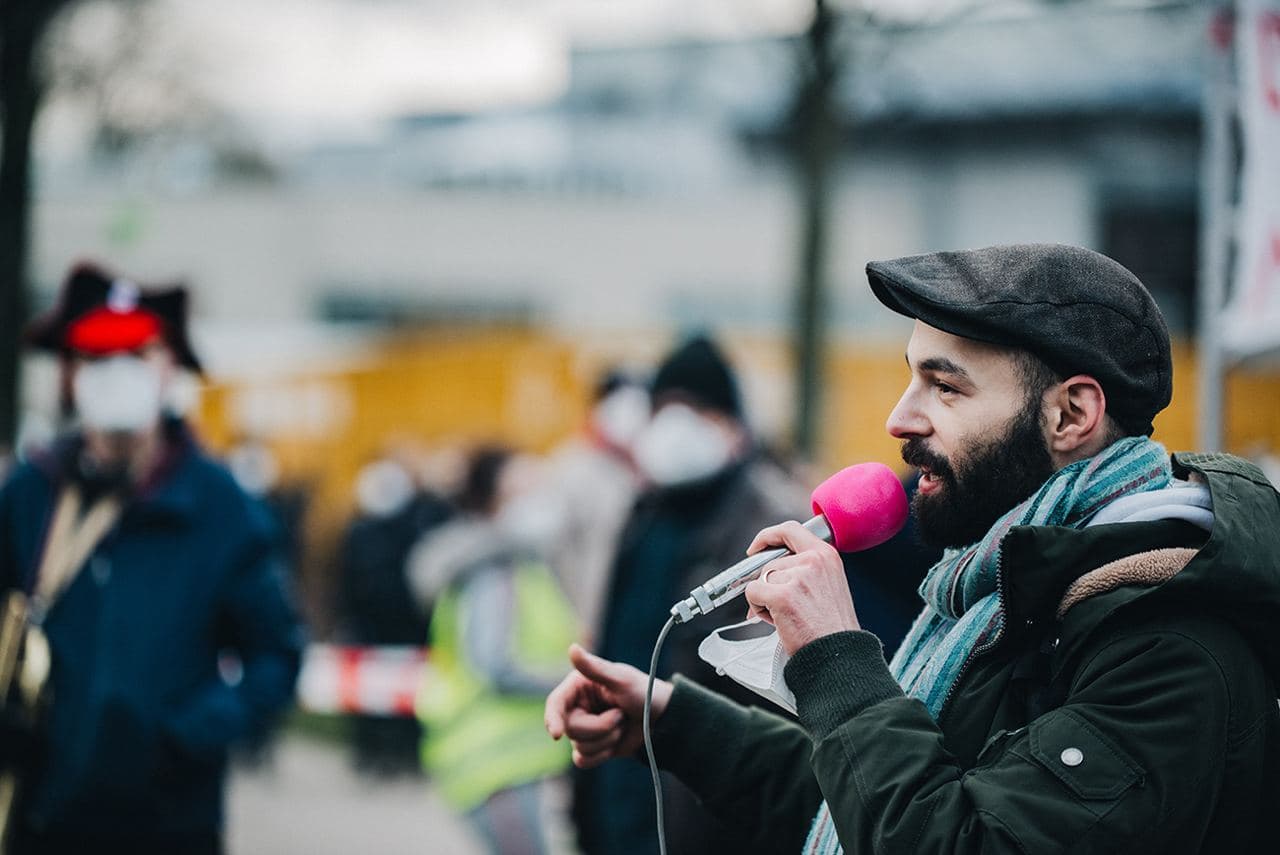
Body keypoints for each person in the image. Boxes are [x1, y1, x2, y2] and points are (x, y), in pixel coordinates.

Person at [546, 244, 1280, 854]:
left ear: (1072, 413)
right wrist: (671, 720)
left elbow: (952, 838)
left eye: (945, 387)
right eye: (910, 377)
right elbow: (860, 798)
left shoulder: (1169, 638)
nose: (900, 418)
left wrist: (837, 659)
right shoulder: (998, 589)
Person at [0, 263, 304, 855]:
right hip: (41, 816)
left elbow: (277, 653)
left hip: (170, 825)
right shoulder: (31, 492)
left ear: (169, 369)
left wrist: (188, 734)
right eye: (95, 357)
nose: (115, 373)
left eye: (137, 354)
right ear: (68, 373)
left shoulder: (220, 505)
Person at [574, 334, 809, 855]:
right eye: (664, 408)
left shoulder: (773, 523)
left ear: (731, 424)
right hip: (622, 786)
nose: (675, 426)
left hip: (707, 807)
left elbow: (783, 697)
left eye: (696, 409)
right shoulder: (642, 513)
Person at [411, 446, 578, 855]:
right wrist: (576, 679)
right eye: (522, 487)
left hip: (509, 760)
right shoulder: (494, 571)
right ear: (492, 500)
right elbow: (493, 664)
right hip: (494, 760)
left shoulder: (522, 564)